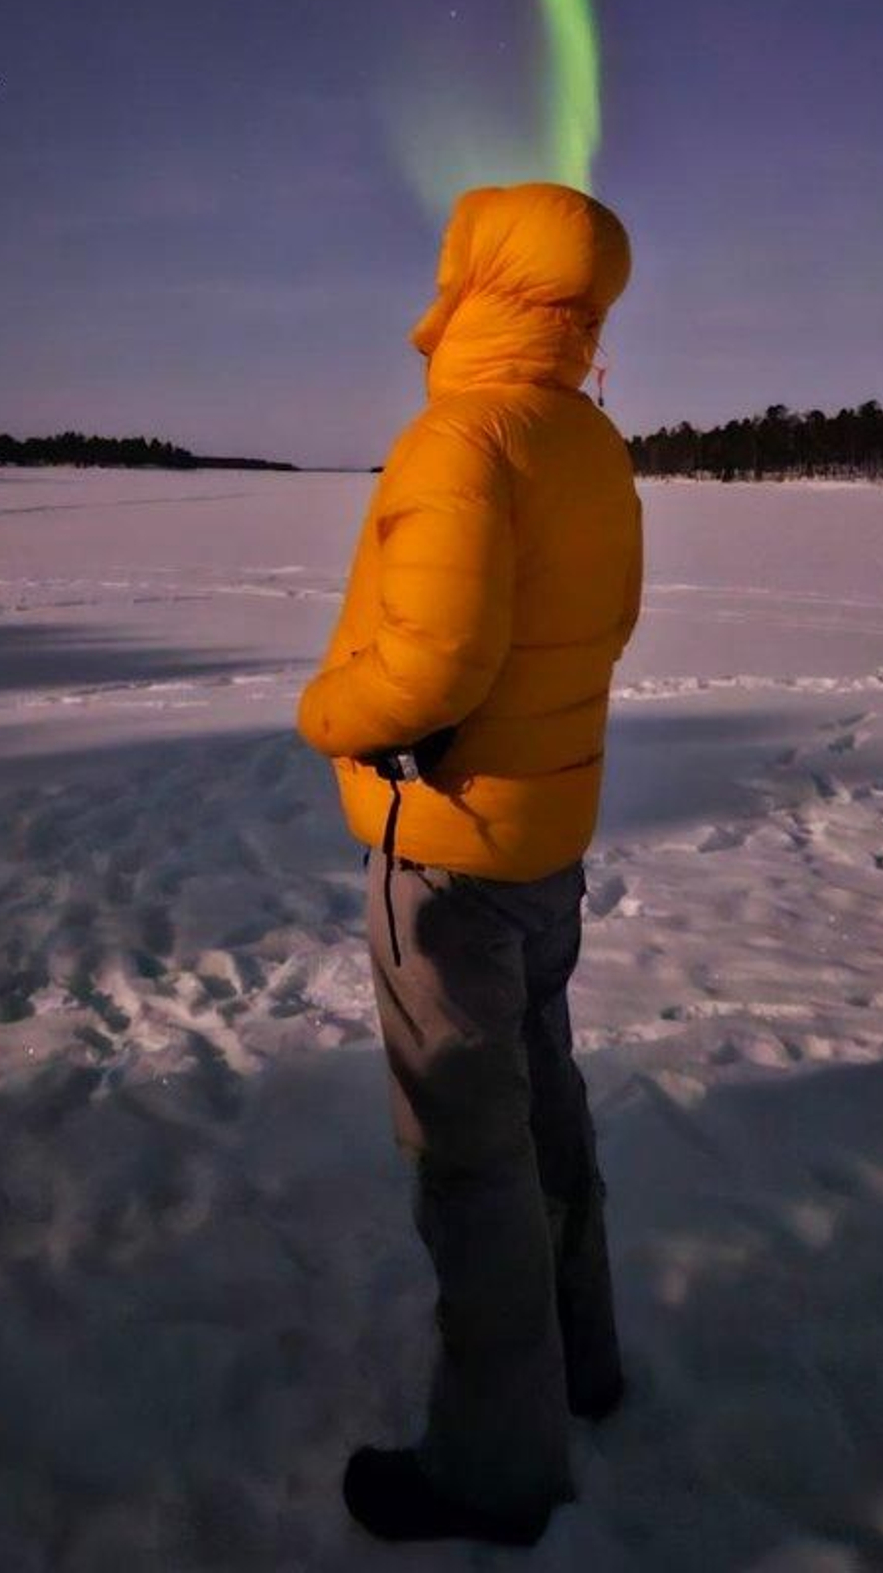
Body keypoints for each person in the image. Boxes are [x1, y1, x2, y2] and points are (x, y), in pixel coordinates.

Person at [297, 180, 643, 1547]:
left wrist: (326, 712)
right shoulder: (589, 440)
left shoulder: (462, 437)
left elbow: (435, 662)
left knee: (472, 1154)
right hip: (544, 838)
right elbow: (603, 623)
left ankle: (495, 1464)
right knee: (546, 1109)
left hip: (441, 847)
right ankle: (586, 1359)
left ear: (473, 276)